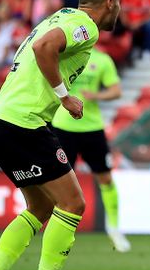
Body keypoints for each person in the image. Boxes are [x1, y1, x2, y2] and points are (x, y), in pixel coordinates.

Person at [0, 0, 124, 270]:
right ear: (110, 2)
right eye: (119, 3)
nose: (119, 11)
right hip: (22, 123)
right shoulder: (85, 25)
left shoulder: (61, 16)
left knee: (39, 208)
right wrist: (65, 97)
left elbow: (42, 44)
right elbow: (43, 47)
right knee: (73, 204)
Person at [51, 46, 129, 253]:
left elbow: (116, 90)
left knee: (106, 179)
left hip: (92, 127)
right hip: (63, 126)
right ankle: (59, 231)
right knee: (61, 182)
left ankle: (114, 229)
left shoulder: (102, 59)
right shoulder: (64, 56)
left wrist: (96, 95)